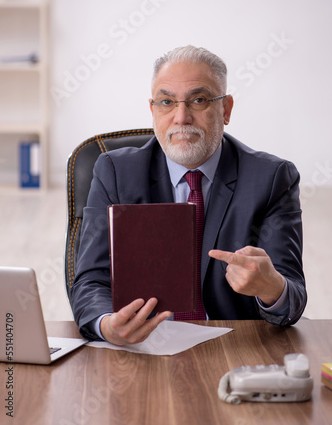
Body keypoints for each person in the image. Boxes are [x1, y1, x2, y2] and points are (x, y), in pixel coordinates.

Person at [71, 45, 307, 345]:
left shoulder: (272, 179)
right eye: (167, 101)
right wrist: (106, 324)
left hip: (233, 347)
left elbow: (292, 297)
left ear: (226, 109)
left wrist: (272, 288)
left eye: (198, 100)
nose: (181, 117)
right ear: (153, 109)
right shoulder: (116, 172)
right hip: (140, 344)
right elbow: (90, 279)